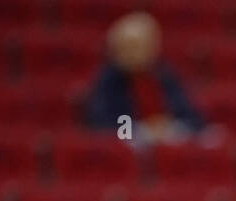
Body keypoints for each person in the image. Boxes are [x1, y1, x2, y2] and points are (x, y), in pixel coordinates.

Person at [83, 10, 204, 139]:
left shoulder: (164, 75)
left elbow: (193, 119)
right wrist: (143, 131)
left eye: (139, 46)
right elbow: (102, 125)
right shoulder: (107, 82)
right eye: (127, 46)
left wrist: (171, 128)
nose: (133, 53)